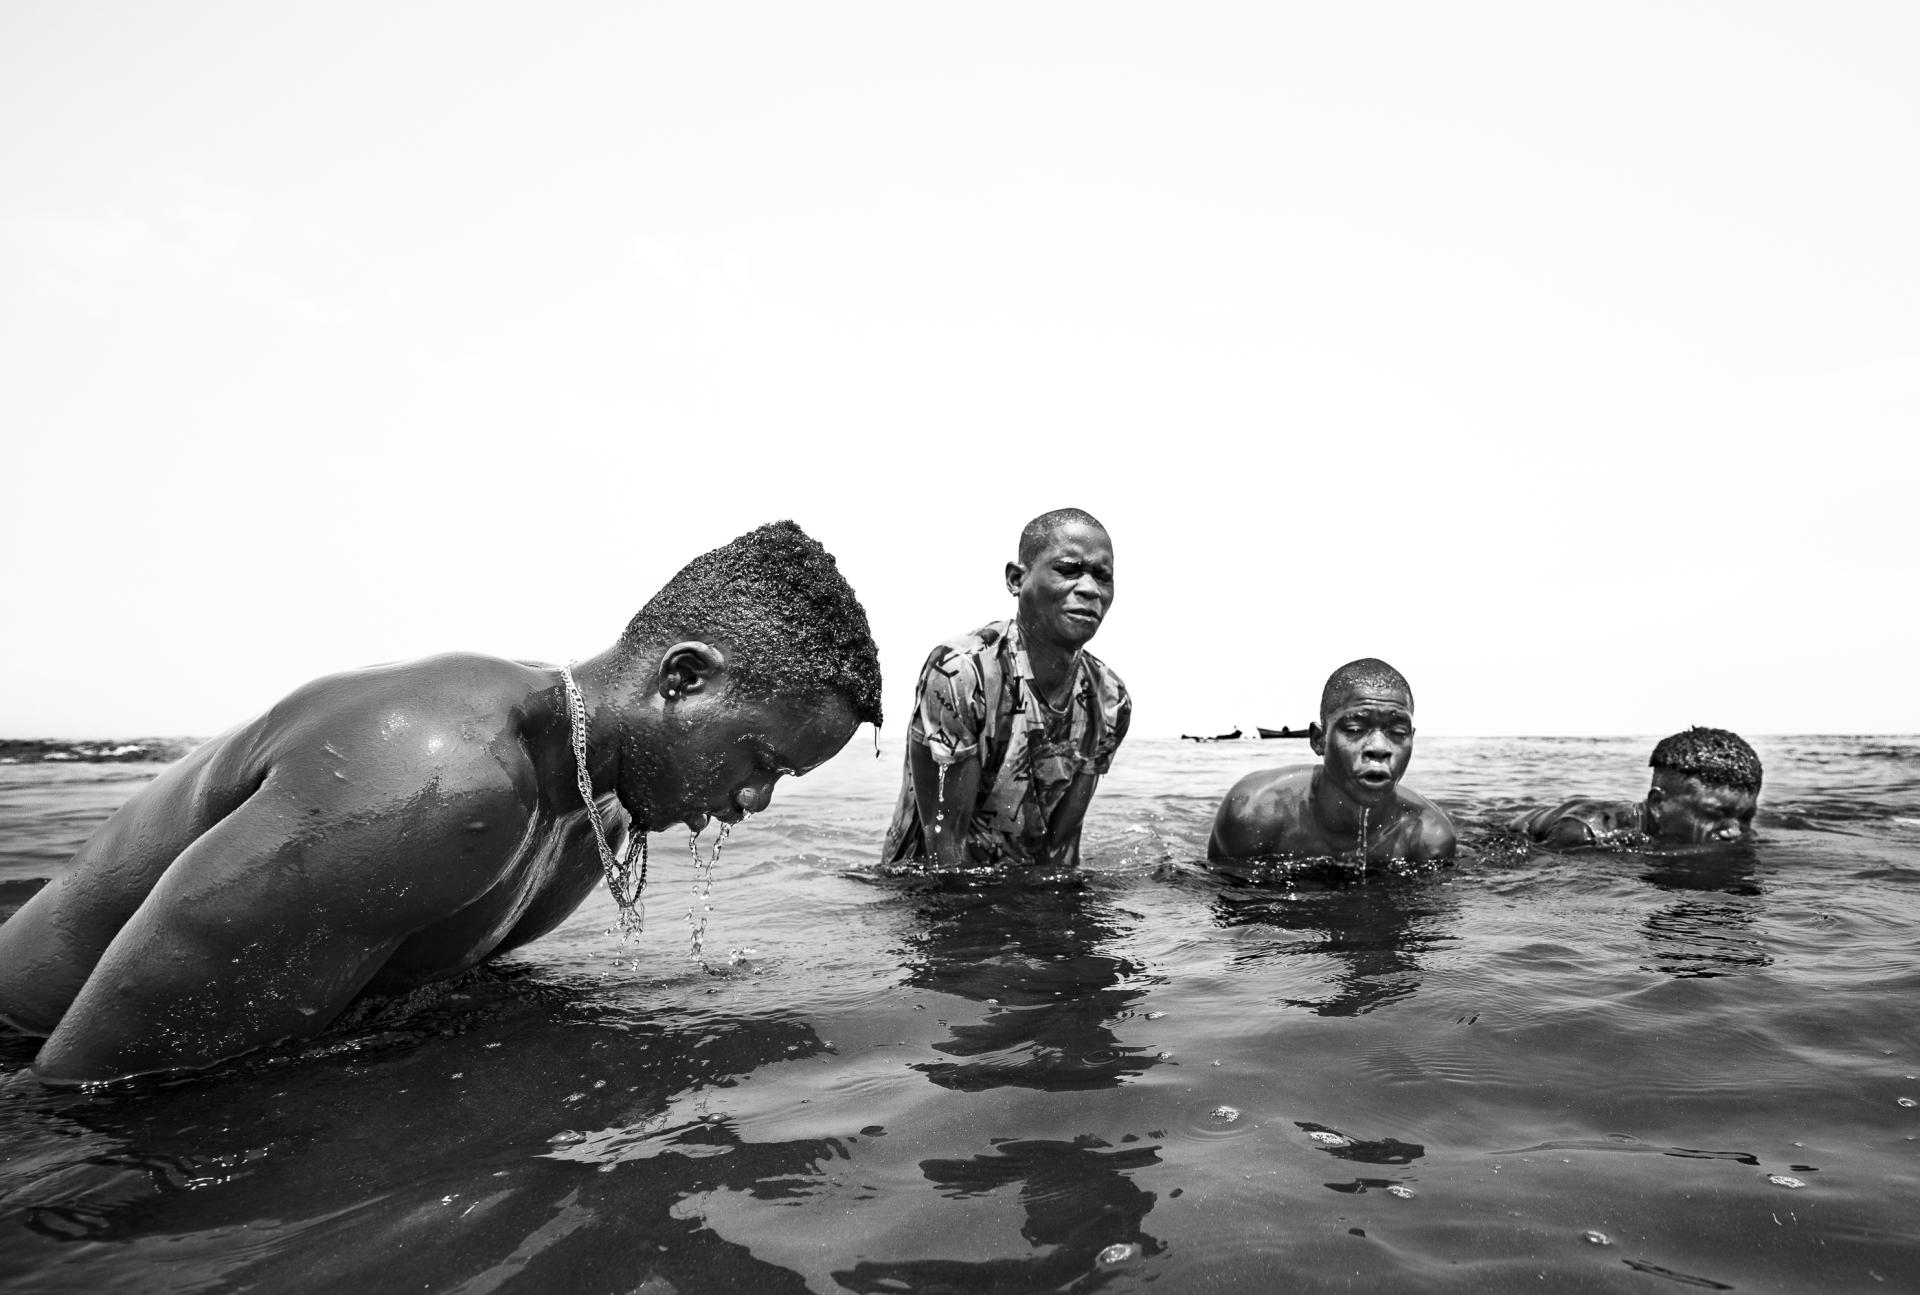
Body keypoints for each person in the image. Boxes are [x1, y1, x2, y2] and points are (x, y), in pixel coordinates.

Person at [0, 521, 882, 1084]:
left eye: (783, 781)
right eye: (759, 758)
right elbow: (89, 1088)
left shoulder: (602, 808)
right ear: (684, 678)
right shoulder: (434, 783)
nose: (757, 800)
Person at [881, 508, 1129, 870]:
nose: (1090, 589)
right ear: (1016, 579)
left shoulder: (1109, 698)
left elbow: (1062, 848)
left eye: (1102, 577)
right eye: (1069, 570)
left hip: (1020, 886)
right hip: (926, 887)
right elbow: (945, 847)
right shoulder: (962, 672)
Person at [1208, 658, 1455, 864]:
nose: (1379, 748)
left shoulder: (1427, 839)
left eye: (1398, 732)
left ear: (1411, 739)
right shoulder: (1253, 814)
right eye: (1355, 728)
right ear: (1318, 740)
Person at [1508, 726, 1761, 847]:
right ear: (1659, 805)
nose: (1734, 831)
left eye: (1745, 817)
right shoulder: (1582, 834)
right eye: (1716, 814)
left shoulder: (1735, 835)